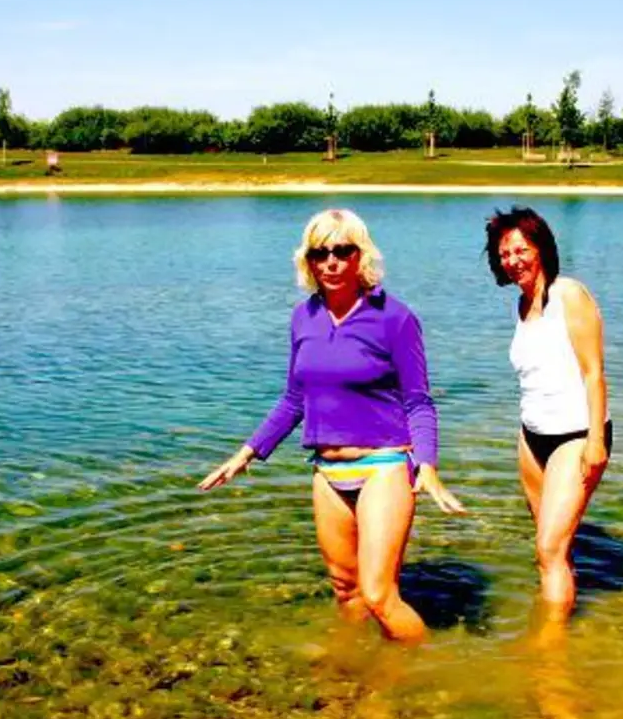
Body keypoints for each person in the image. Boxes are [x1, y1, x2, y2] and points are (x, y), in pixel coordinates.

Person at [199, 208, 465, 645]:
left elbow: (418, 401)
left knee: (379, 595)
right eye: (321, 253)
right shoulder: (304, 318)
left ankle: (426, 679)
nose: (332, 262)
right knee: (346, 590)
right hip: (327, 471)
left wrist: (429, 466)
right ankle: (353, 676)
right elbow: (294, 399)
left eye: (343, 250)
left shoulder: (394, 318)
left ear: (362, 256)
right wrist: (246, 453)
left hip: (383, 464)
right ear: (308, 261)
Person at [484, 206, 612, 635]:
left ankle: (548, 654)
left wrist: (596, 443)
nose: (513, 259)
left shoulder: (568, 294)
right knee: (551, 549)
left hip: (576, 434)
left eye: (521, 249)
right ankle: (555, 627)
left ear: (541, 249)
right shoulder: (522, 306)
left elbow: (594, 372)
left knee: (548, 546)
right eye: (504, 253)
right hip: (532, 435)